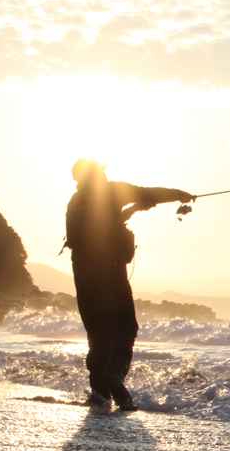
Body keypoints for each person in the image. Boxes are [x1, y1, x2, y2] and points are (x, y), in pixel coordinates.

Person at [64, 159, 193, 410]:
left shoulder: (75, 202)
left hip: (84, 276)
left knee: (97, 334)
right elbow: (148, 193)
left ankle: (101, 394)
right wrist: (179, 194)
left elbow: (96, 228)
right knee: (126, 328)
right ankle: (115, 378)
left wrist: (133, 209)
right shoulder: (111, 191)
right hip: (110, 274)